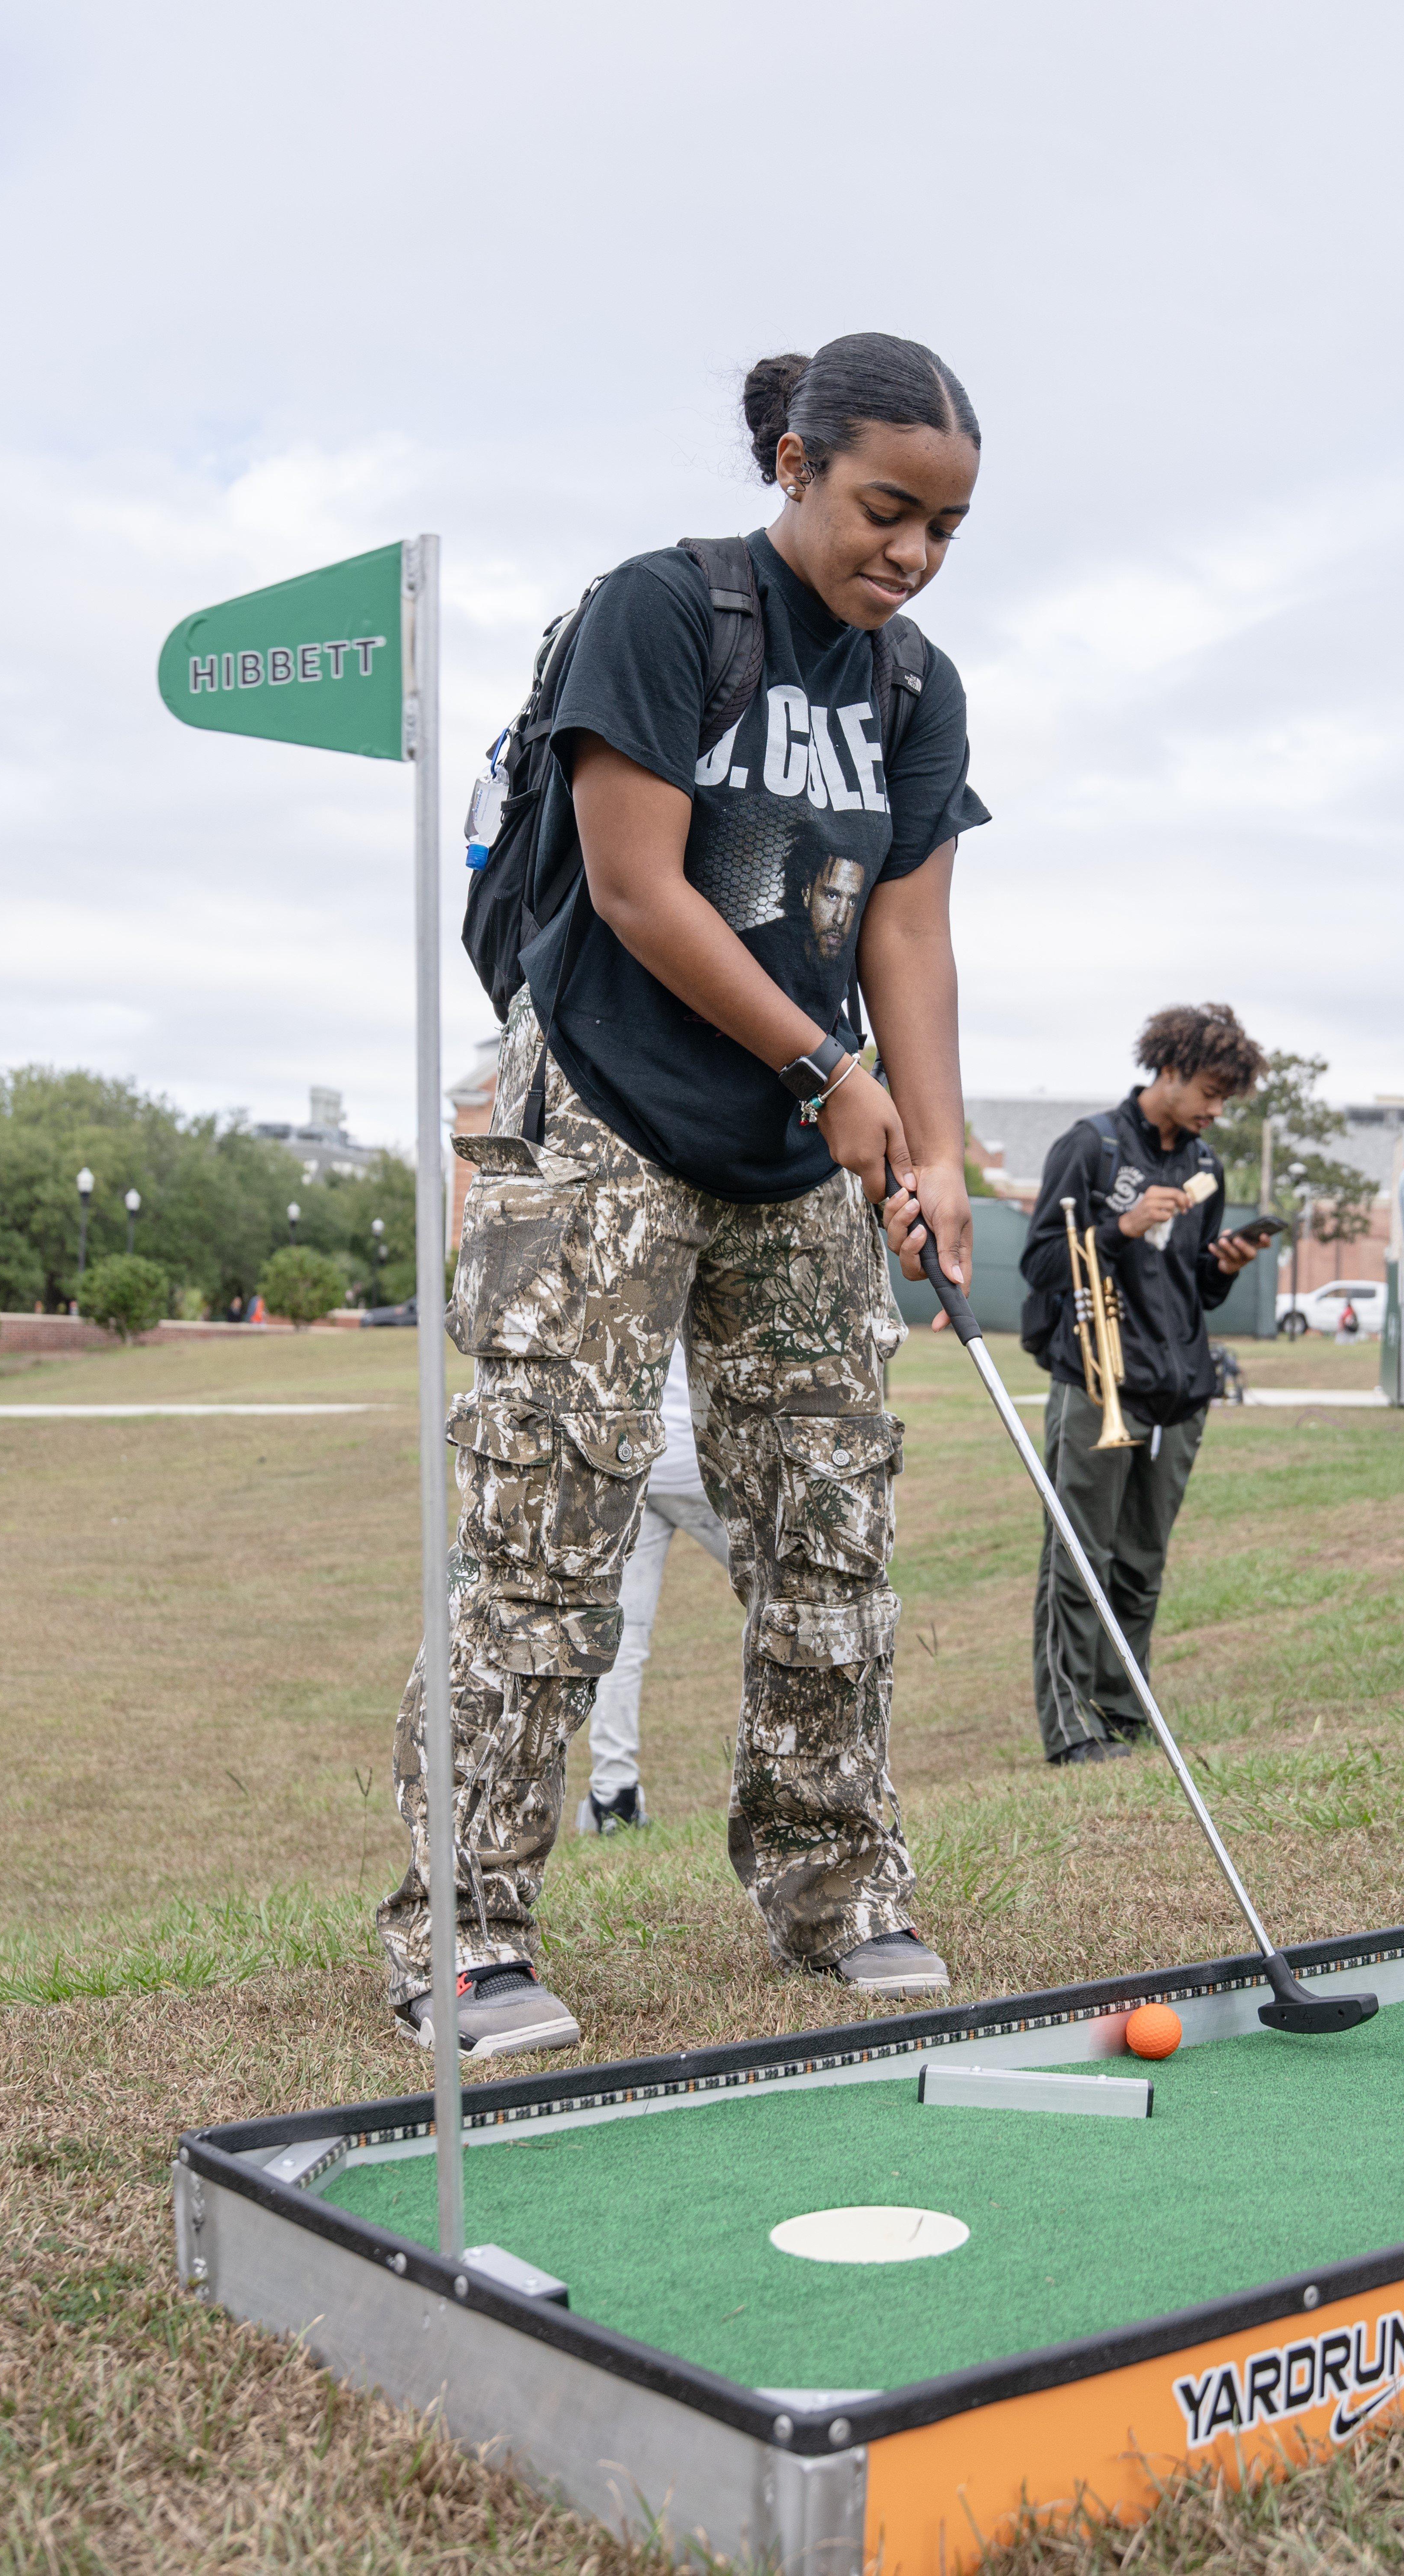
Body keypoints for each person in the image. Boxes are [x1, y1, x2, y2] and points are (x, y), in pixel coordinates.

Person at [374, 333, 990, 2058]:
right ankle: (466, 1931)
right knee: (545, 1531)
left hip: (796, 1153)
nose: (912, 554)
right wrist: (830, 1072)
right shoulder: (661, 611)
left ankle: (834, 1887)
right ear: (793, 463)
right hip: (598, 1116)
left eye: (945, 528)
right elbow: (642, 891)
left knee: (827, 1527)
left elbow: (910, 931)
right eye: (886, 511)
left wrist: (928, 1150)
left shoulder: (918, 687)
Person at [1018, 1004, 1272, 1765]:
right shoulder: (1090, 1145)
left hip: (1179, 1387)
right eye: (1210, 1091)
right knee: (1077, 1560)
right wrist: (1117, 1230)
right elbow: (1038, 1266)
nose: (1215, 1110)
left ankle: (1125, 1710)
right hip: (1097, 1379)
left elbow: (1189, 1284)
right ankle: (1070, 1729)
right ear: (1168, 1068)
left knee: (1140, 1564)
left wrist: (1221, 1268)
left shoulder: (1207, 1166)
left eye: (1228, 1099)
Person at [576, 1340, 733, 1831]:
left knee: (625, 1634)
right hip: (700, 1464)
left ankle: (612, 1794)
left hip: (634, 1459)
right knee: (789, 1601)